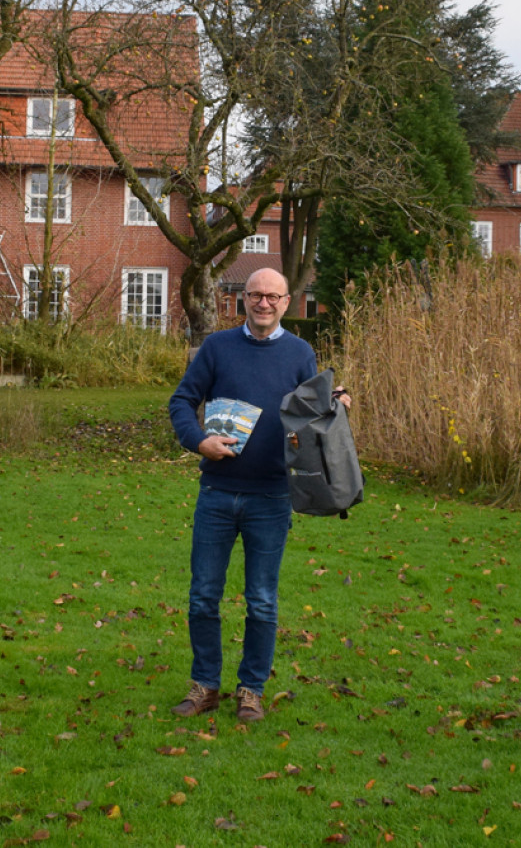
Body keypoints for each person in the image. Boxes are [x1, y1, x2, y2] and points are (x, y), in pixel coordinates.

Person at [168, 268, 342, 723]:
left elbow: (313, 416)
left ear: (287, 302)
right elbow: (181, 401)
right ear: (242, 299)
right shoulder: (217, 348)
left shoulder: (301, 354)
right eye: (255, 295)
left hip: (271, 496)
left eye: (272, 296)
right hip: (218, 492)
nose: (263, 303)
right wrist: (198, 440)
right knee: (203, 595)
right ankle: (205, 685)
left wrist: (335, 405)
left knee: (261, 599)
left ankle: (251, 690)